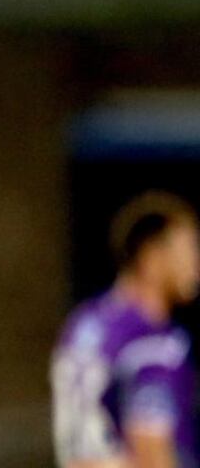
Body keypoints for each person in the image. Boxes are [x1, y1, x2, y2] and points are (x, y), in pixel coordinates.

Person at [52, 191, 199, 467]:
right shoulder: (153, 340)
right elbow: (152, 455)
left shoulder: (83, 323)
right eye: (189, 248)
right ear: (152, 255)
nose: (195, 264)